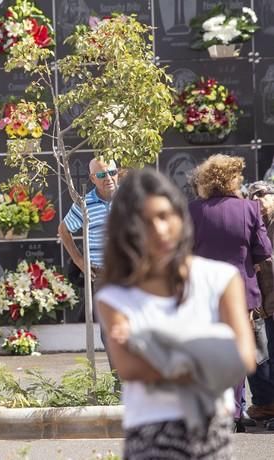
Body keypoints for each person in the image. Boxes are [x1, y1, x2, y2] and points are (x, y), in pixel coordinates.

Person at [95, 169, 256, 458]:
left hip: (210, 431)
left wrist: (156, 347)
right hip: (148, 433)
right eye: (145, 221)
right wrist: (210, 346)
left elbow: (243, 356)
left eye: (164, 215)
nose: (158, 229)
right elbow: (131, 368)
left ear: (181, 216)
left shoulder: (221, 279)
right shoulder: (114, 295)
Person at [189, 154, 272, 428]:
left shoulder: (193, 211)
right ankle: (233, 414)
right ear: (231, 179)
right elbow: (264, 251)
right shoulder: (249, 209)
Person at [58, 158, 119, 380]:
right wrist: (78, 260)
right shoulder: (85, 204)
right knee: (109, 331)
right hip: (101, 274)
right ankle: (119, 382)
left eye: (111, 172)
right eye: (102, 175)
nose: (109, 178)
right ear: (93, 178)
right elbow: (64, 229)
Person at [245, 181, 274, 424]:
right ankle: (265, 405)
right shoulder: (254, 224)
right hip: (259, 304)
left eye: (263, 195)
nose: (258, 202)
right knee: (257, 357)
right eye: (252, 198)